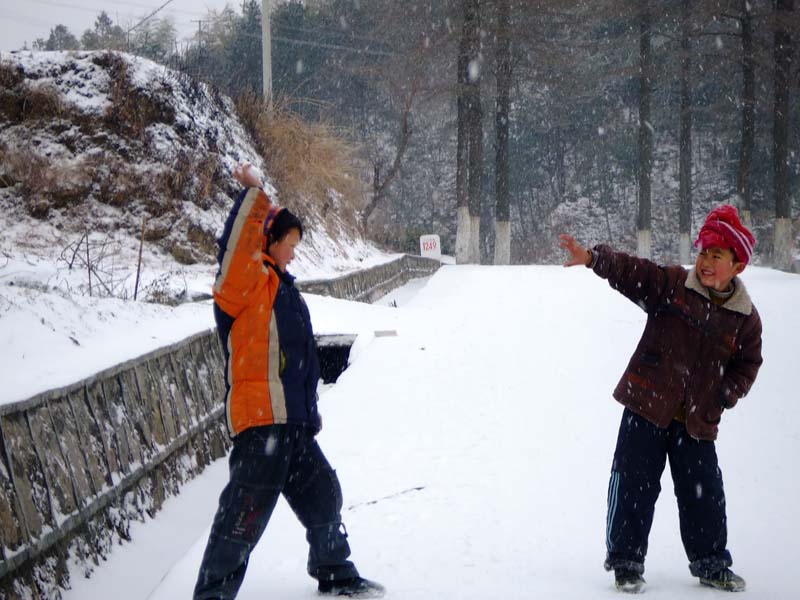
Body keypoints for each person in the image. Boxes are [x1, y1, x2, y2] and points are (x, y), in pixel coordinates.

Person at [193, 164, 385, 599]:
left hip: (293, 424)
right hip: (262, 423)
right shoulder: (245, 286)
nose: (294, 253)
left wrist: (310, 413)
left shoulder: (284, 289)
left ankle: (334, 570)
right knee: (242, 517)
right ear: (270, 242)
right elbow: (236, 245)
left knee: (323, 493)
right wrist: (254, 194)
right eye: (290, 244)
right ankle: (212, 596)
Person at [558, 205, 762, 594]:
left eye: (716, 256)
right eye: (703, 252)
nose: (705, 262)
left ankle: (711, 563)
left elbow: (748, 364)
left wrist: (723, 396)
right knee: (633, 483)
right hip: (646, 405)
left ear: (737, 266)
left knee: (704, 492)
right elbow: (633, 272)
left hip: (697, 421)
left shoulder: (745, 319)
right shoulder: (672, 286)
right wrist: (593, 259)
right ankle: (626, 563)